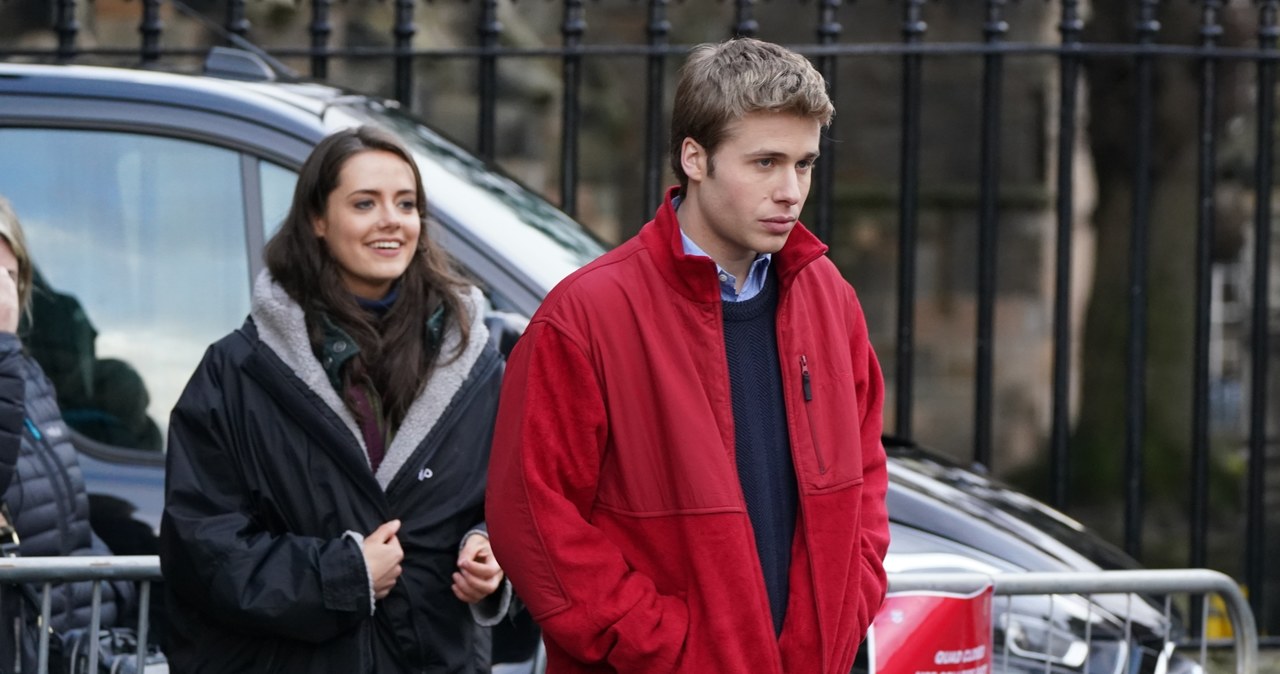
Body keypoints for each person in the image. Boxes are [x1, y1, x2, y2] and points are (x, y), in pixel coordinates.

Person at [486, 38, 891, 674]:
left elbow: (865, 478)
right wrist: (669, 646)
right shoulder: (585, 316)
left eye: (805, 164)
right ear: (694, 159)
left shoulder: (831, 298)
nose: (790, 190)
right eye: (764, 163)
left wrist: (848, 603)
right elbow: (532, 522)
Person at [159, 126, 509, 673]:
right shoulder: (236, 373)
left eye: (406, 203)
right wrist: (340, 575)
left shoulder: (478, 366)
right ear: (318, 220)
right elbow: (202, 551)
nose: (392, 219)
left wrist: (490, 554)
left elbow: (515, 502)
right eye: (364, 203)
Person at [0, 196, 135, 671]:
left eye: (11, 279)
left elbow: (71, 518)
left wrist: (112, 589)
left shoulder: (28, 378)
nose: (4, 295)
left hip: (62, 649)